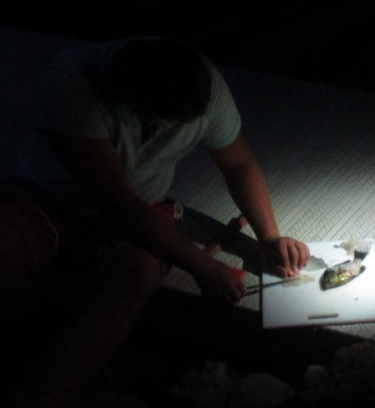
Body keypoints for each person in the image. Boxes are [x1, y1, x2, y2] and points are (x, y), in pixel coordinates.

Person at [0, 37, 310, 407]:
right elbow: (118, 204)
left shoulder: (202, 84)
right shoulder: (71, 85)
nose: (171, 132)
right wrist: (204, 266)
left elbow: (238, 163)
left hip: (145, 204)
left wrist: (269, 237)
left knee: (138, 272)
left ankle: (45, 395)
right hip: (47, 198)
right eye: (163, 124)